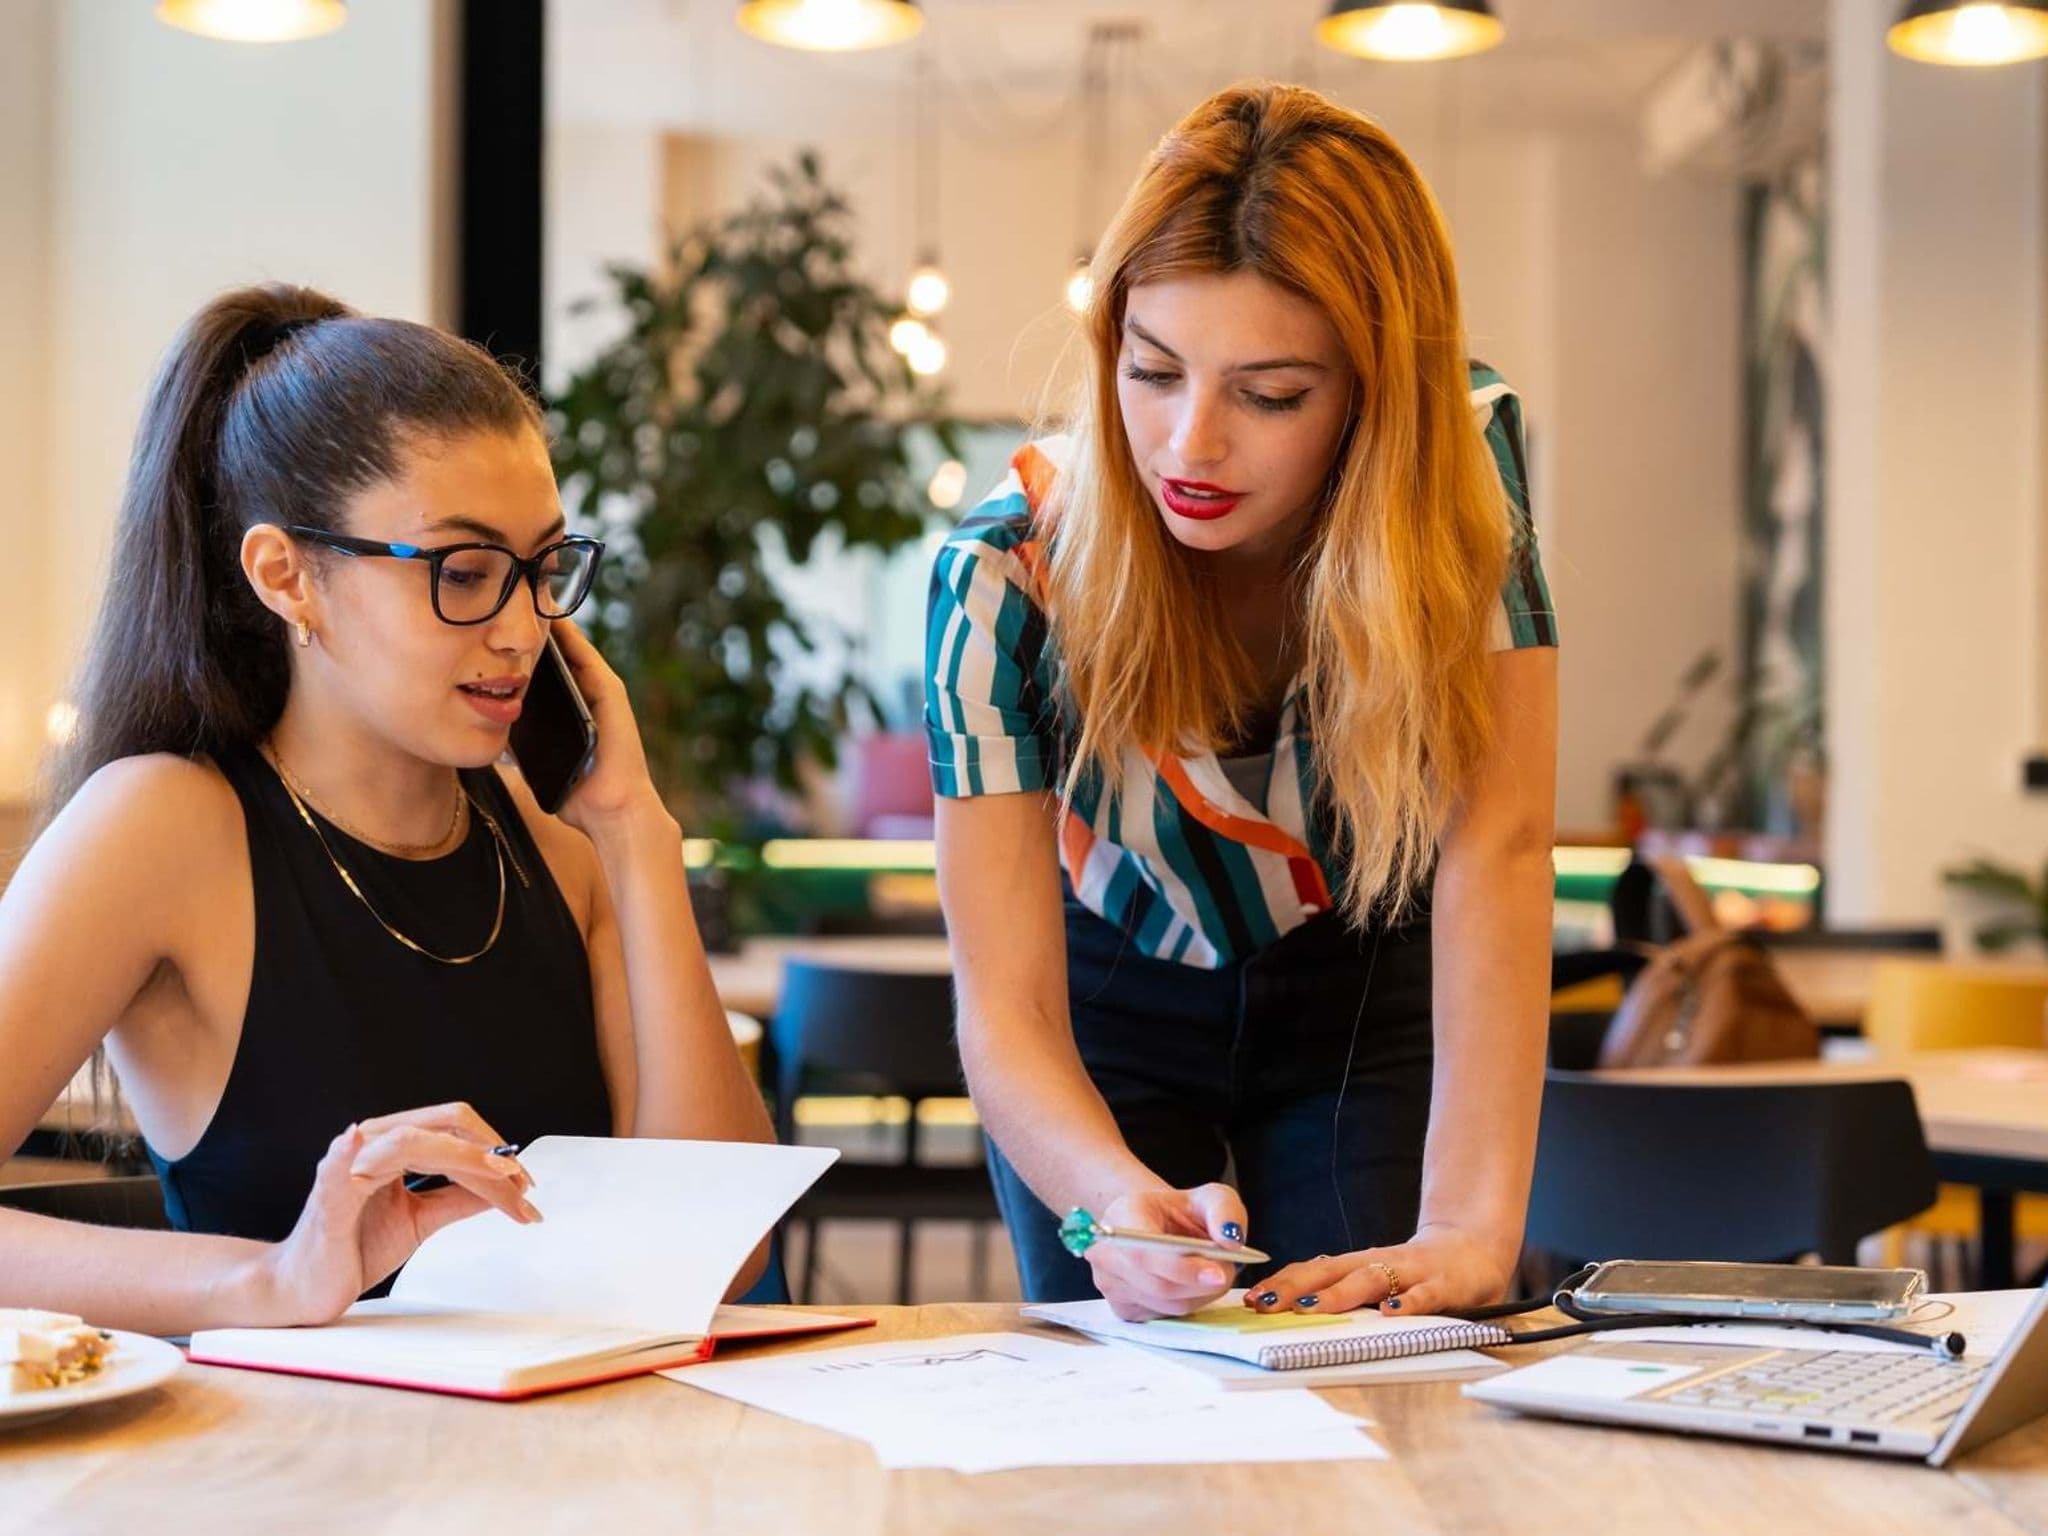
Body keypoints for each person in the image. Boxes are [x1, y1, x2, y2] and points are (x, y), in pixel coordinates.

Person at [0, 284, 773, 1335]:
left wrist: (637, 833)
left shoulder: (564, 856)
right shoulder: (162, 830)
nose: (517, 631)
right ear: (287, 577)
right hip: (295, 1485)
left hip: (559, 1480)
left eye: (542, 568)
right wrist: (269, 1281)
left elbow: (719, 1259)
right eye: (461, 572)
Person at [927, 84, 1558, 1321]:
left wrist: (1473, 1228)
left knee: (1386, 1380)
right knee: (1124, 1378)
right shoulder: (1002, 573)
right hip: (1103, 996)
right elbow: (1002, 1007)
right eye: (1152, 372)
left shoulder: (1459, 476)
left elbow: (1499, 835)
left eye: (1269, 396)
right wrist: (1104, 1198)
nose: (1186, 447)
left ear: (1377, 399)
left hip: (1361, 970)